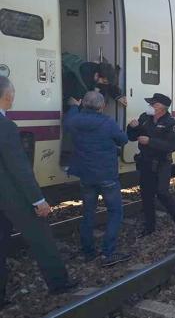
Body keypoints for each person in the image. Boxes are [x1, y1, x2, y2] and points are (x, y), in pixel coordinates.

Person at [0, 76, 77, 307]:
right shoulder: (6, 127)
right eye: (12, 93)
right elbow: (19, 168)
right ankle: (59, 283)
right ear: (7, 95)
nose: (13, 97)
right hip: (13, 197)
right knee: (41, 237)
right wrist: (38, 200)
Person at [64, 91, 130, 267]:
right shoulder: (107, 122)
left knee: (88, 213)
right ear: (102, 107)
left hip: (86, 175)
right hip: (107, 175)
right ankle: (108, 252)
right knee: (115, 212)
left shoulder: (74, 119)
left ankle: (88, 251)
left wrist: (73, 106)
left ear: (83, 104)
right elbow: (123, 140)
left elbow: (69, 117)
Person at [127, 93, 175, 237]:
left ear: (162, 108)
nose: (150, 106)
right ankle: (149, 226)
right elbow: (133, 137)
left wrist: (150, 142)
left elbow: (172, 145)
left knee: (162, 192)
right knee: (146, 195)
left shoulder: (171, 123)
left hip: (162, 163)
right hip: (145, 161)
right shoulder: (145, 118)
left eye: (153, 104)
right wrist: (132, 127)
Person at [62, 54, 127, 107]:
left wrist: (118, 96)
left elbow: (108, 84)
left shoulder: (97, 68)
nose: (105, 84)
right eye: (104, 82)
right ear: (97, 75)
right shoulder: (80, 82)